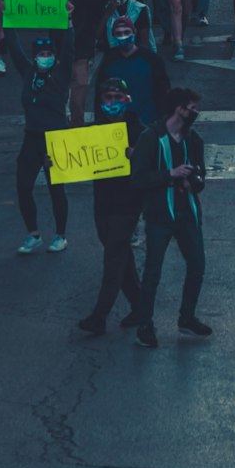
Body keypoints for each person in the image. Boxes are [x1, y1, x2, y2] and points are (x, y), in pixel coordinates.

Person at [131, 87, 210, 348]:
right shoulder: (151, 138)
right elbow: (139, 178)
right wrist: (170, 174)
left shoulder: (193, 139)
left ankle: (187, 317)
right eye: (192, 108)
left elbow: (201, 175)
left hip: (186, 211)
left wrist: (193, 182)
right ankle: (145, 324)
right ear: (179, 108)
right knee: (153, 271)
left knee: (197, 264)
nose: (195, 113)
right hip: (159, 214)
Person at [77, 77, 143, 336]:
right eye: (108, 98)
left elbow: (155, 162)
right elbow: (76, 160)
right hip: (102, 203)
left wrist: (136, 155)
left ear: (127, 100)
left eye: (118, 98)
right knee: (121, 255)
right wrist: (54, 163)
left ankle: (99, 315)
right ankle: (139, 306)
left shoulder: (140, 132)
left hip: (128, 205)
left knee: (113, 258)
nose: (113, 103)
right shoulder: (95, 131)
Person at [9, 29, 73, 255]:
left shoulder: (61, 75)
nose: (45, 56)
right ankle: (33, 234)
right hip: (32, 137)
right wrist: (8, 22)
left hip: (55, 139)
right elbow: (14, 49)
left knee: (56, 189)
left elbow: (69, 49)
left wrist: (69, 22)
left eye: (49, 53)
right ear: (35, 56)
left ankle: (60, 235)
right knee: (23, 186)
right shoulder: (28, 73)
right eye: (41, 53)